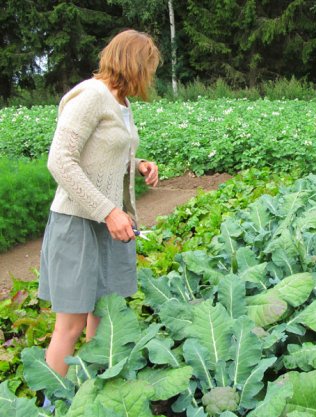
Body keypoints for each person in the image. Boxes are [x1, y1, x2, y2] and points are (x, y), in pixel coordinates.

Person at [38, 29, 160, 379]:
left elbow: (104, 151)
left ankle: (96, 387)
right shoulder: (91, 95)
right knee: (72, 323)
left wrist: (138, 165)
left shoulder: (121, 102)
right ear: (133, 63)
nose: (150, 75)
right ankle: (52, 403)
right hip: (78, 222)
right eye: (148, 66)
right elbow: (60, 160)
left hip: (112, 225)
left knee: (105, 316)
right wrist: (107, 210)